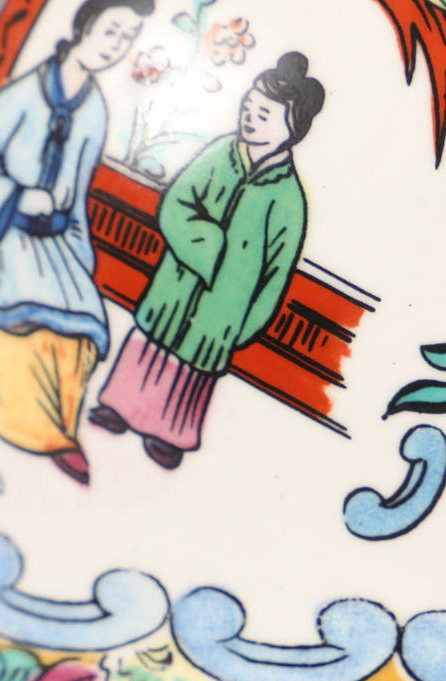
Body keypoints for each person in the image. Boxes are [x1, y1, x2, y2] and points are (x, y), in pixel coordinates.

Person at [89, 52, 325, 471]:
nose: (250, 118)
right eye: (249, 107)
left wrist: (246, 324)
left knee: (193, 372)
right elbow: (176, 204)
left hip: (223, 314)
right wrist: (209, 244)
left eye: (264, 114)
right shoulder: (221, 153)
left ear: (292, 128)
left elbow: (276, 275)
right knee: (150, 345)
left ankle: (169, 434)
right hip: (176, 284)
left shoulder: (287, 197)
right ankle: (119, 407)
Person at [0, 0, 152, 485]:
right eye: (111, 31)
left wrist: (80, 259)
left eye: (127, 38)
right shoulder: (24, 93)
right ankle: (21, 428)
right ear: (85, 26)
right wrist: (18, 197)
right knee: (31, 316)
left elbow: (77, 195)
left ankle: (58, 431)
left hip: (54, 238)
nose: (117, 46)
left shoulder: (95, 110)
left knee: (84, 323)